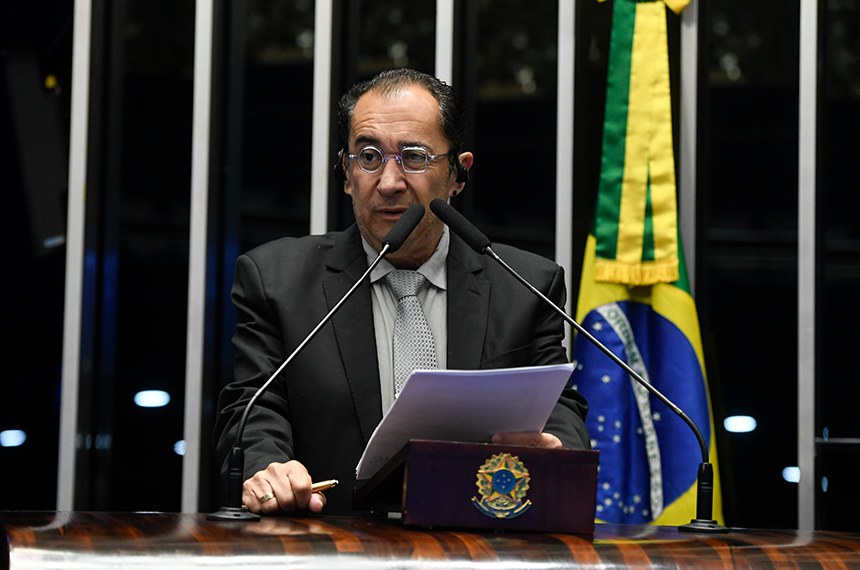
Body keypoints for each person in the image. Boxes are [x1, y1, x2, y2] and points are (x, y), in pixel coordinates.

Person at [213, 68, 590, 516]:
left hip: (478, 545)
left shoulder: (524, 284)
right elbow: (253, 405)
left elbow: (558, 406)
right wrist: (268, 467)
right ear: (347, 174)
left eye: (413, 157)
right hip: (331, 545)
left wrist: (556, 447)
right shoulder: (276, 280)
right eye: (368, 157)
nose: (389, 182)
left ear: (458, 174)